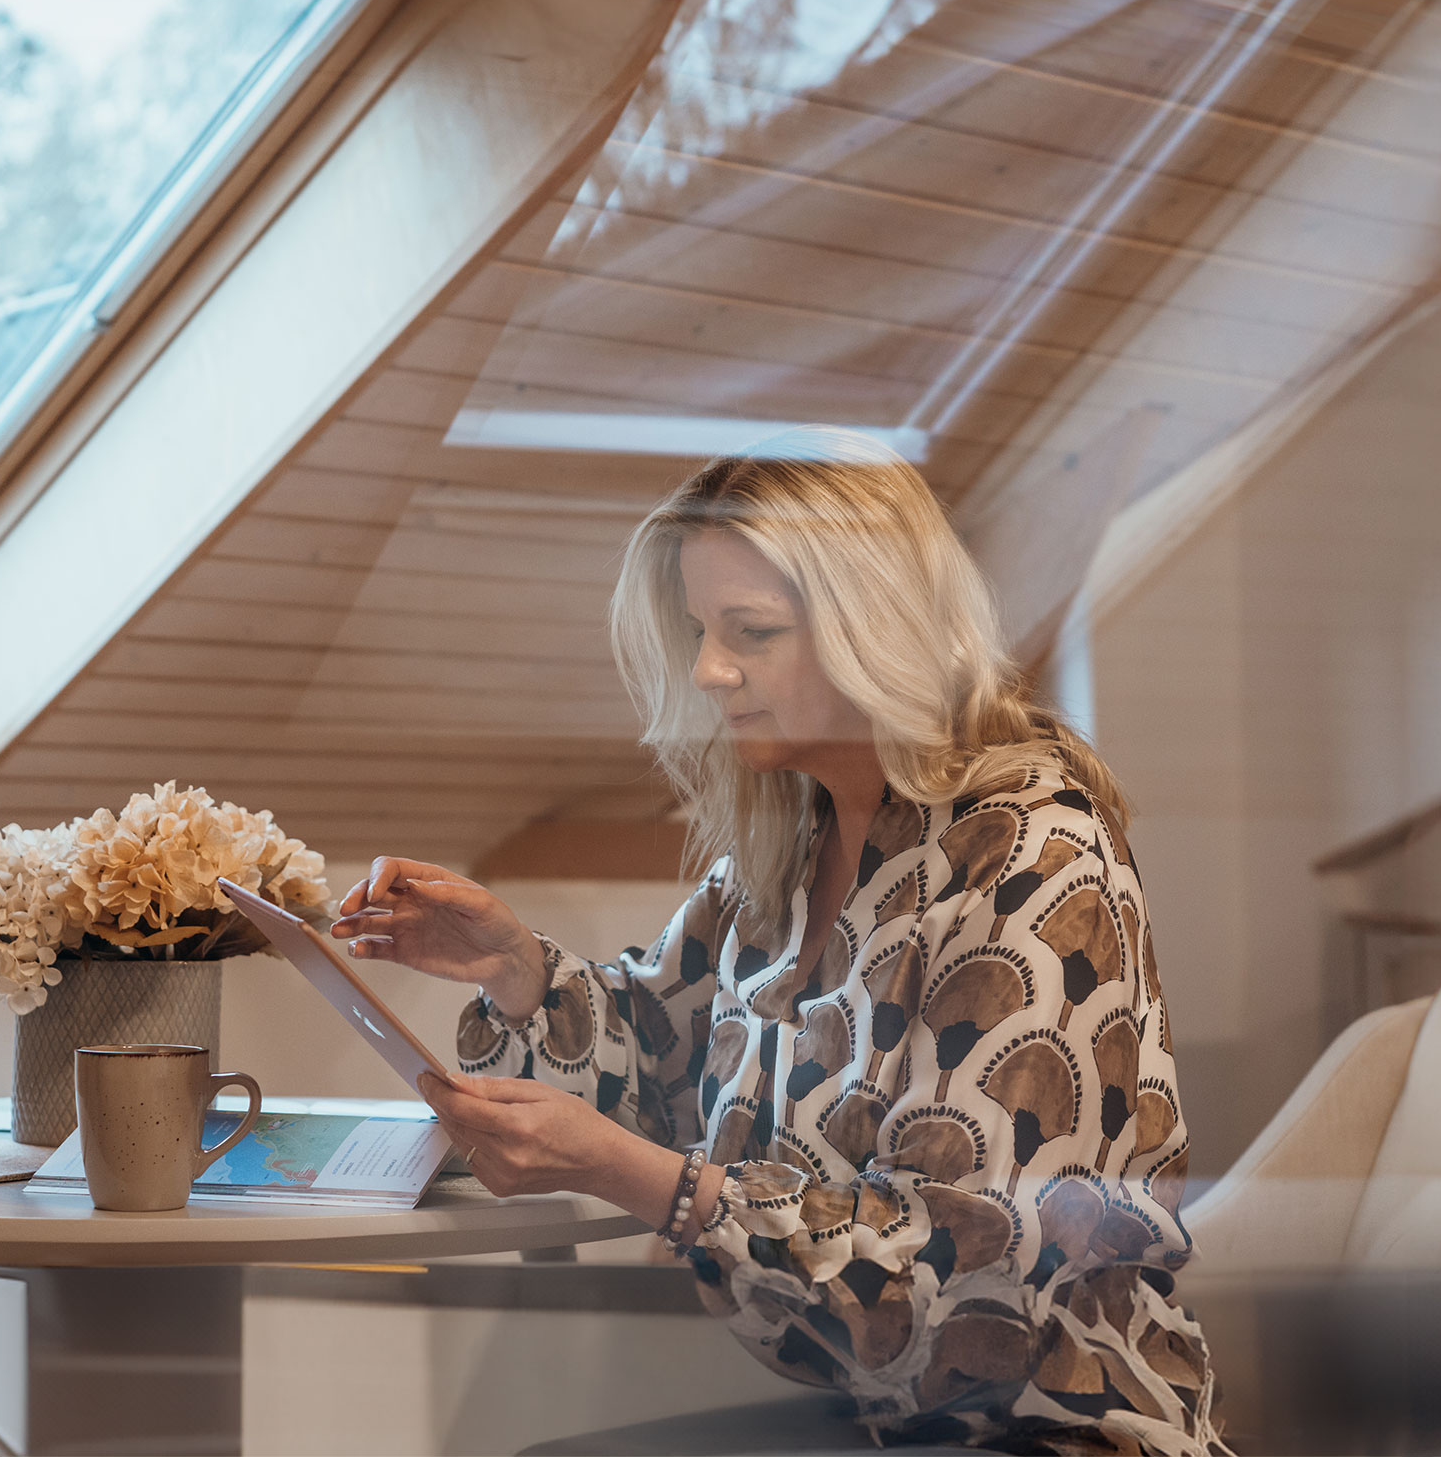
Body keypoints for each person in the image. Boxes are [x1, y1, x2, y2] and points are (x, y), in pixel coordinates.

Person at [332, 438, 1228, 1455]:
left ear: (874, 627)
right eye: (700, 630)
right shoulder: (784, 853)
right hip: (869, 1419)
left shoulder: (1035, 857)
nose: (710, 670)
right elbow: (661, 1053)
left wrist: (651, 1181)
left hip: (1038, 1429)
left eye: (750, 631)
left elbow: (954, 1267)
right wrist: (513, 966)